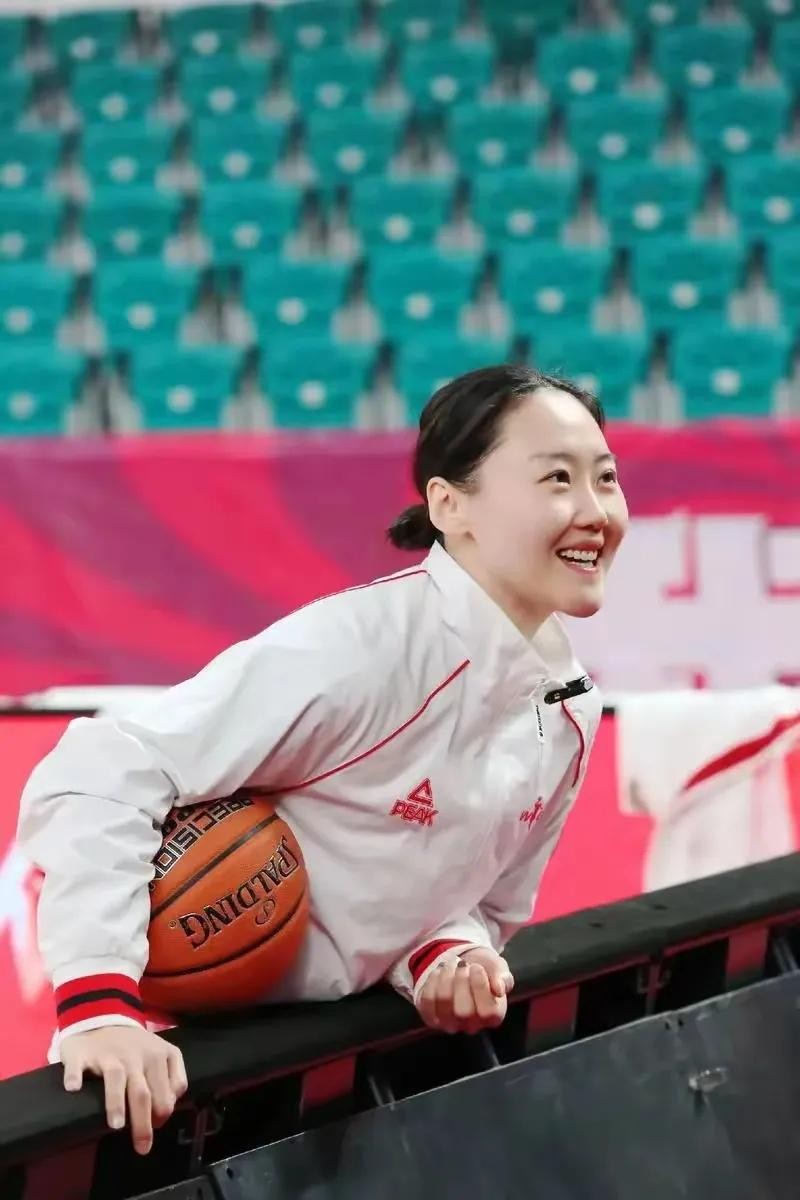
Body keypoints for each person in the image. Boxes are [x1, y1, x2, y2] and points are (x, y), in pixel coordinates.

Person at [17, 363, 628, 1155]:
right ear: (451, 506)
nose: (595, 512)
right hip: (178, 1084)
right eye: (557, 479)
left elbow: (485, 906)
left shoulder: (570, 707)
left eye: (606, 478)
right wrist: (99, 1003)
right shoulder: (362, 649)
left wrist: (447, 954)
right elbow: (99, 771)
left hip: (343, 1084)